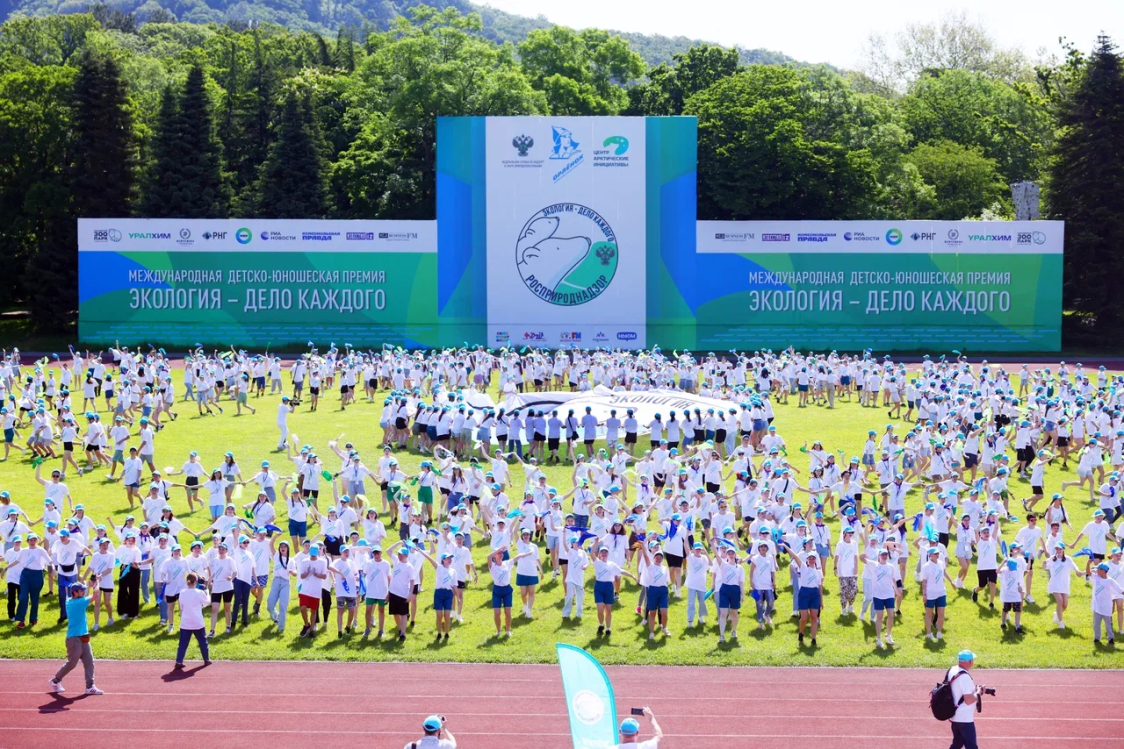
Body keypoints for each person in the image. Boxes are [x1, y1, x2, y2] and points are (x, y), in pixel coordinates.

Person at [48, 581, 103, 695]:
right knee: (71, 664)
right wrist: (98, 582)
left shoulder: (70, 601)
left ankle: (90, 686)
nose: (83, 592)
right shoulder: (78, 603)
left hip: (83, 638)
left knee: (89, 662)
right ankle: (55, 681)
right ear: (75, 592)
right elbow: (96, 595)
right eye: (81, 590)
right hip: (74, 640)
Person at [174, 573, 212, 669]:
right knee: (203, 641)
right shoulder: (199, 593)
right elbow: (207, 603)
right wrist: (207, 592)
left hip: (185, 622)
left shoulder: (182, 592)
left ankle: (178, 661)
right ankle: (206, 660)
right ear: (195, 582)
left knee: (183, 643)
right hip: (197, 622)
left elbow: (181, 607)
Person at [946, 650, 979, 749]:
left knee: (957, 744)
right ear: (969, 661)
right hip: (964, 718)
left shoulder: (952, 670)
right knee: (971, 746)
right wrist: (979, 692)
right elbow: (968, 700)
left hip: (955, 715)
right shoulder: (964, 676)